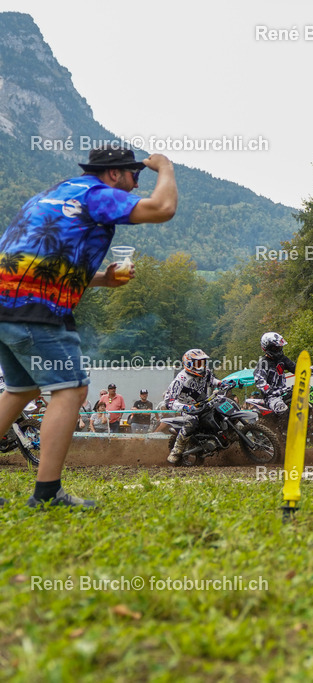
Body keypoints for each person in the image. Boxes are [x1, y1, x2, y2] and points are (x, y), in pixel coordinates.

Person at [0, 145, 176, 508]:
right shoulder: (97, 194)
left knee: (21, 390)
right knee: (71, 391)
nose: (134, 184)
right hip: (35, 308)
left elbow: (42, 256)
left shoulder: (56, 192)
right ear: (114, 174)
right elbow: (162, 208)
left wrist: (100, 280)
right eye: (134, 176)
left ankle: (47, 491)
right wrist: (165, 168)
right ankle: (47, 494)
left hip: (6, 301)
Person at [165, 349, 227, 464]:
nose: (202, 366)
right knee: (191, 422)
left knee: (221, 408)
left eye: (203, 362)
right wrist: (186, 407)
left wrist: (221, 383)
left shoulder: (206, 372)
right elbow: (169, 401)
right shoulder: (180, 379)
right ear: (189, 363)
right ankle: (176, 451)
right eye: (198, 363)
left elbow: (212, 380)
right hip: (188, 408)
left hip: (204, 403)